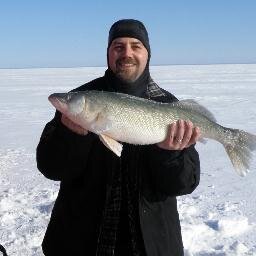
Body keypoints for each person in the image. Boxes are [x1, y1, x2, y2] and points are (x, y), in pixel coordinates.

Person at [36, 19, 201, 256]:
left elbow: (184, 183)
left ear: (147, 54)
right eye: (118, 46)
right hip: (81, 242)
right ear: (108, 54)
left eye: (136, 46)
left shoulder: (169, 106)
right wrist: (71, 137)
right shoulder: (79, 100)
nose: (127, 53)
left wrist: (170, 155)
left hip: (149, 246)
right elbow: (50, 167)